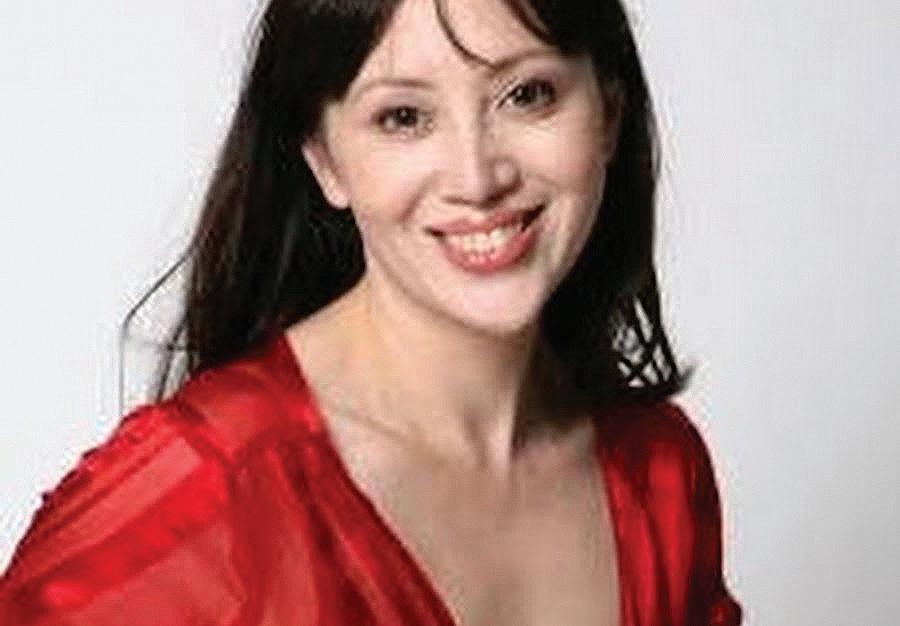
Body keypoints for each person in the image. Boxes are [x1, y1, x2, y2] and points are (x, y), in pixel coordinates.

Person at [0, 0, 743, 623]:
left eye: (527, 94)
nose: (477, 177)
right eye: (403, 117)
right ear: (324, 160)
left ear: (609, 111)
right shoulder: (212, 483)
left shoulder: (659, 475)